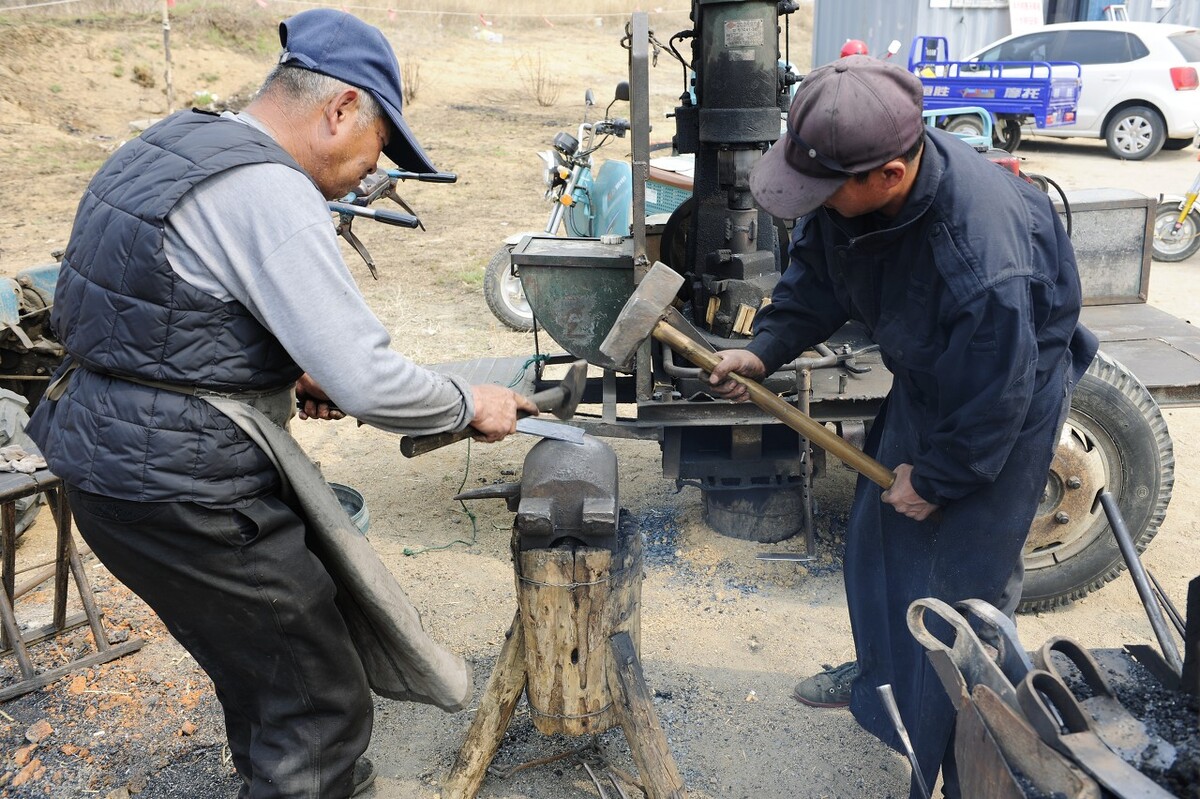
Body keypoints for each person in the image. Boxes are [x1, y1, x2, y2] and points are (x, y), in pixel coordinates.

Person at [27, 8, 537, 799]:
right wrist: (468, 403)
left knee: (263, 665)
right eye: (379, 147)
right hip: (183, 487)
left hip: (101, 462)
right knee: (316, 699)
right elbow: (368, 377)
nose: (372, 172)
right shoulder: (270, 187)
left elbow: (152, 318)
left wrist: (282, 374)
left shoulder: (169, 145)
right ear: (339, 110)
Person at [707, 56, 1097, 797]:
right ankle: (888, 695)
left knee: (961, 598)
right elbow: (818, 277)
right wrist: (763, 350)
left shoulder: (982, 256)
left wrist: (941, 477)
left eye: (826, 190)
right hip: (931, 380)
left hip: (1002, 411)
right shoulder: (856, 193)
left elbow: (999, 388)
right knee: (878, 548)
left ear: (888, 174)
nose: (813, 201)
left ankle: (970, 765)